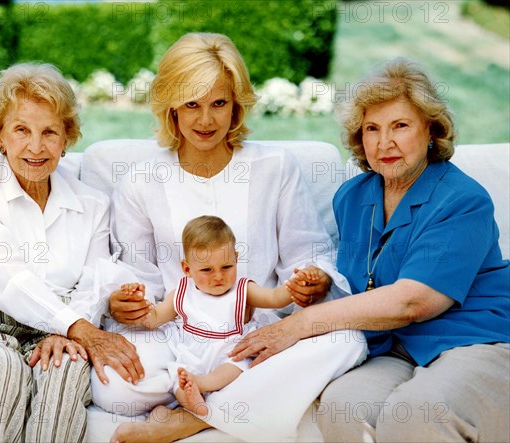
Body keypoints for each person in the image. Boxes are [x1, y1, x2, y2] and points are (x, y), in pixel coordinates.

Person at [91, 32, 367, 443]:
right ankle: (238, 395)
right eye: (192, 105)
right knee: (112, 385)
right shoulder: (141, 180)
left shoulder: (274, 167)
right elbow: (138, 276)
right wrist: (124, 301)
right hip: (179, 335)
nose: (206, 120)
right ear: (171, 108)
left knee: (348, 340)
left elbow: (308, 253)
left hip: (262, 336)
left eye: (219, 103)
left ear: (236, 104)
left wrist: (313, 282)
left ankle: (196, 416)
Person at [231, 58, 510, 442]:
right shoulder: (353, 197)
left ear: (430, 129)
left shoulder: (463, 200)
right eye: (372, 129)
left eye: (400, 126)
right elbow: (358, 281)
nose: (384, 143)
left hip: (474, 340)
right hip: (393, 346)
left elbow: (412, 302)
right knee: (344, 407)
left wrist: (296, 326)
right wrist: (315, 289)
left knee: (415, 416)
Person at [0, 63, 143, 441]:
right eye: (21, 130)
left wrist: (70, 332)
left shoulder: (92, 203)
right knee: (1, 369)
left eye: (50, 131)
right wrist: (76, 326)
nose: (36, 147)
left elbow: (96, 281)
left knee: (66, 370)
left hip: (53, 329)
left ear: (67, 138)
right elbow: (9, 280)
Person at [122, 215, 324, 417]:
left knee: (238, 366)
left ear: (236, 258)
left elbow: (274, 298)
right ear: (187, 269)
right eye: (207, 270)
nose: (218, 276)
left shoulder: (243, 290)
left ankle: (203, 384)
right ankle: (193, 403)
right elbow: (154, 318)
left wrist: (297, 284)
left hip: (229, 353)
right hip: (192, 354)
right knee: (178, 376)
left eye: (226, 267)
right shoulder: (181, 293)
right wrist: (136, 302)